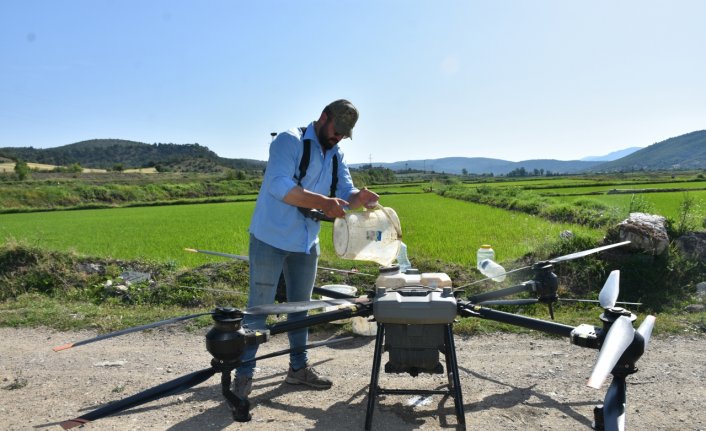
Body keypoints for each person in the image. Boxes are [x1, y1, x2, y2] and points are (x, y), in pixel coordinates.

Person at [234, 99, 379, 398]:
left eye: (344, 133)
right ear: (323, 117)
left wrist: (358, 197)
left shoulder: (337, 154)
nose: (338, 136)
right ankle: (243, 376)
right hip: (269, 238)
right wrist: (323, 203)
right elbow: (279, 185)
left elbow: (344, 194)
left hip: (305, 241)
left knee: (302, 309)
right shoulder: (290, 140)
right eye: (336, 129)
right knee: (258, 309)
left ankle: (298, 370)